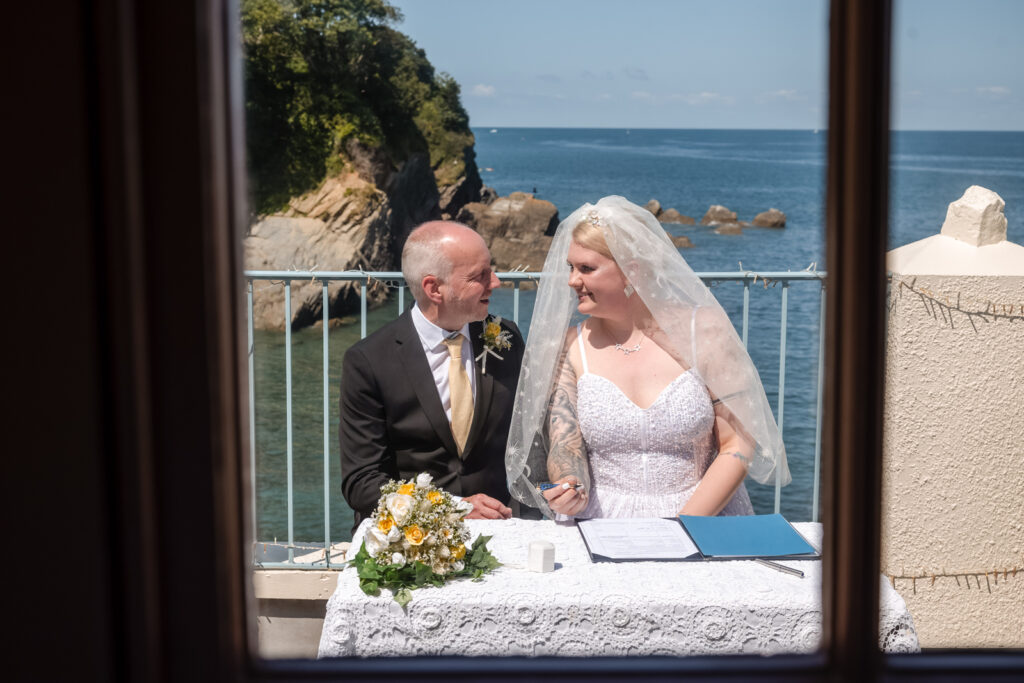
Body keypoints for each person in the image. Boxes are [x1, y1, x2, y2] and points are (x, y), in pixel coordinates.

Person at [506, 196, 790, 518]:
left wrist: (685, 525)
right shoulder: (570, 347)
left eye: (586, 268)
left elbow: (737, 445)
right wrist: (570, 485)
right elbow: (565, 442)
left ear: (631, 271)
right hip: (603, 519)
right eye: (570, 267)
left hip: (702, 516)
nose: (572, 280)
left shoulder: (704, 332)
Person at [340, 221, 524, 533]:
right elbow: (362, 482)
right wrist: (452, 507)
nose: (496, 281)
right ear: (434, 288)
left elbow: (530, 436)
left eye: (490, 270)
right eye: (480, 275)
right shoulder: (369, 361)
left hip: (501, 528)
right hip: (414, 539)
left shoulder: (506, 338)